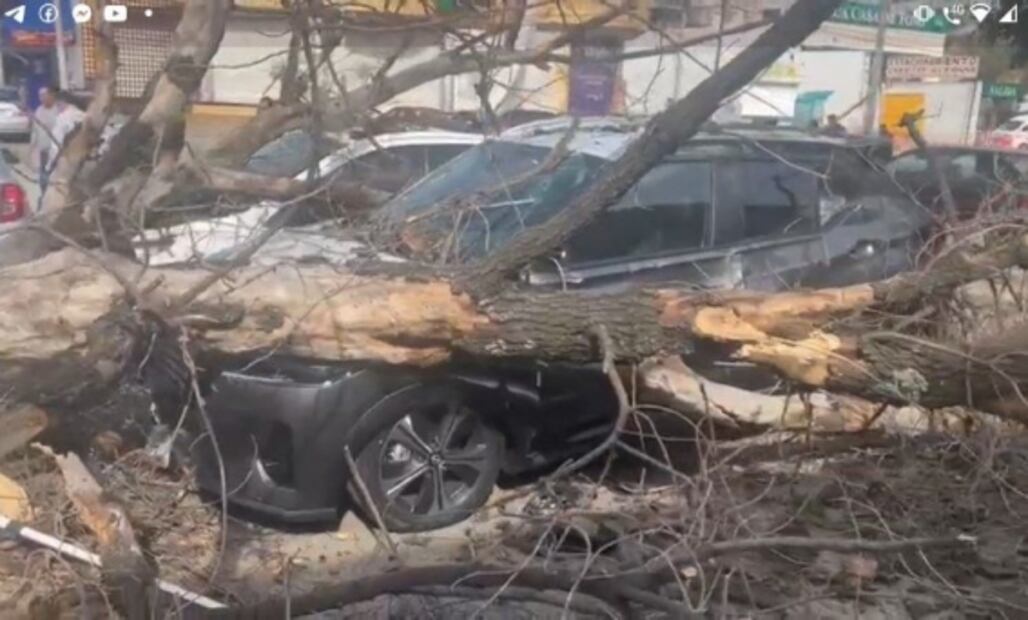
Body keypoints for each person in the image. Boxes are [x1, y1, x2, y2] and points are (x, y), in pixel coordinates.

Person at [29, 86, 60, 195]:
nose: (42, 98)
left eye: (44, 95)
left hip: (56, 150)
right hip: (43, 150)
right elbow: (35, 131)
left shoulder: (58, 111)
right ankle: (43, 194)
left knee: (55, 175)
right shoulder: (39, 110)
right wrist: (32, 147)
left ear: (51, 96)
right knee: (43, 175)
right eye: (40, 96)